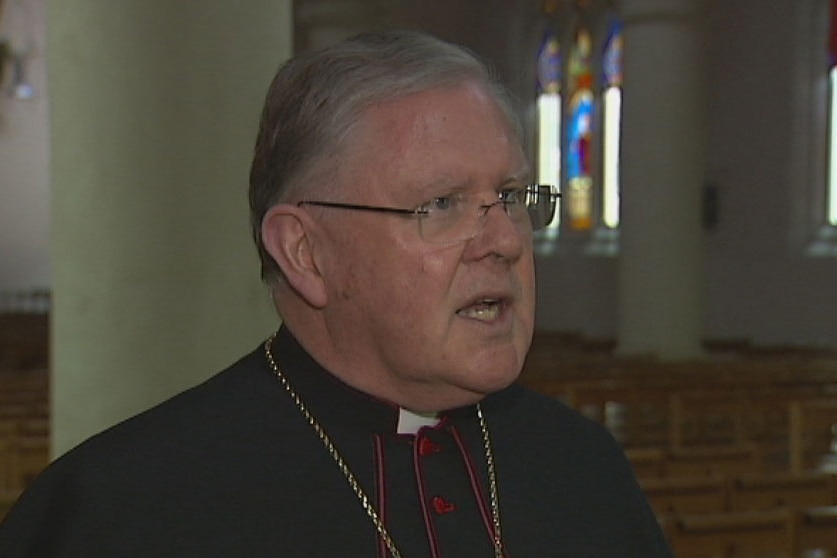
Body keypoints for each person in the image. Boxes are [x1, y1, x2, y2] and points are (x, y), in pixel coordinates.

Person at [0, 30, 672, 557]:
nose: (502, 239)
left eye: (509, 197)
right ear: (304, 252)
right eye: (440, 203)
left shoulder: (581, 467)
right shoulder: (125, 507)